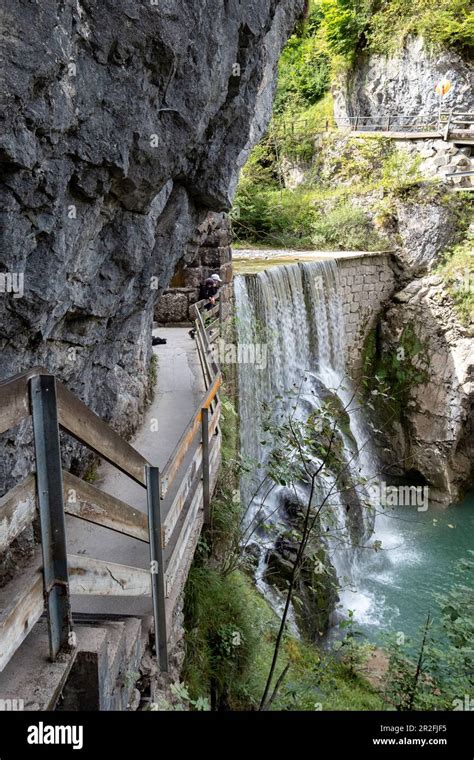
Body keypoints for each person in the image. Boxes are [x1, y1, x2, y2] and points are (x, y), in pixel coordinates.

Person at [189, 273, 222, 339]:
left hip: (208, 305)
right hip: (203, 306)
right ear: (214, 281)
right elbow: (204, 295)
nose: (218, 283)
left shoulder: (213, 287)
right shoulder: (204, 287)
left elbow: (213, 293)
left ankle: (204, 330)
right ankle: (194, 331)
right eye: (217, 281)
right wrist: (209, 297)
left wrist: (212, 291)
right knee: (203, 318)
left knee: (206, 318)